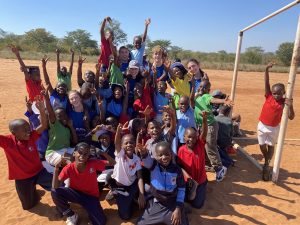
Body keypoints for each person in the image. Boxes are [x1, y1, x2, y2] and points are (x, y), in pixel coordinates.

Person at [0, 96, 52, 210]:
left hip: (39, 172)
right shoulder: (7, 141)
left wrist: (42, 111)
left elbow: (43, 126)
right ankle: (33, 192)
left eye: (28, 128)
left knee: (57, 185)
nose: (29, 131)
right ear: (14, 133)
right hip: (22, 178)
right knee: (28, 206)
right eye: (24, 130)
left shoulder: (31, 136)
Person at [51, 142, 114, 225]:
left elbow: (113, 162)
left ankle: (91, 213)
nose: (82, 156)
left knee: (100, 222)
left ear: (88, 155)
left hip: (91, 197)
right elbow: (55, 187)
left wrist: (102, 152)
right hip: (75, 194)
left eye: (85, 154)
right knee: (55, 192)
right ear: (74, 153)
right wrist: (56, 169)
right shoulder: (69, 168)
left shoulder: (93, 163)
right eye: (80, 152)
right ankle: (71, 215)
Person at [190, 80, 233, 182]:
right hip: (202, 126)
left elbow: (213, 100)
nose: (201, 89)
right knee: (203, 145)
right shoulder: (197, 97)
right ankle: (209, 164)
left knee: (210, 146)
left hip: (210, 126)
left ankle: (219, 168)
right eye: (200, 86)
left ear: (207, 90)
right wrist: (192, 87)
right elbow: (191, 101)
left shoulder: (206, 97)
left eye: (204, 88)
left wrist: (223, 101)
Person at [258, 62, 295, 181]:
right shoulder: (268, 96)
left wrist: (291, 106)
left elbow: (291, 117)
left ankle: (266, 165)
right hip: (262, 126)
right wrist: (266, 69)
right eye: (274, 93)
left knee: (271, 146)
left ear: (283, 93)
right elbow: (266, 83)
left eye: (279, 93)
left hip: (274, 128)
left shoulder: (284, 102)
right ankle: (267, 159)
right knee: (262, 145)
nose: (276, 95)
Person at [137, 141, 189, 225]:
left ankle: (182, 208)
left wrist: (178, 207)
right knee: (141, 223)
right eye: (160, 155)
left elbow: (181, 189)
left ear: (171, 153)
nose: (164, 157)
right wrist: (144, 154)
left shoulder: (177, 170)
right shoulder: (153, 165)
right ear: (155, 156)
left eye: (166, 154)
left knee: (180, 221)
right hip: (157, 202)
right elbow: (147, 161)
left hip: (172, 202)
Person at [108, 124, 145, 220]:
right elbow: (116, 143)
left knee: (138, 196)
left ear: (135, 145)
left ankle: (131, 198)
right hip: (120, 186)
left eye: (131, 143)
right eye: (126, 143)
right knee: (125, 216)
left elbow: (140, 177)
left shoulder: (136, 159)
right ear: (122, 145)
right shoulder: (120, 154)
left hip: (131, 186)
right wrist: (118, 132)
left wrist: (141, 194)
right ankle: (115, 192)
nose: (129, 145)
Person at [177, 111, 208, 209]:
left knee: (197, 205)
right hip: (189, 182)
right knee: (186, 199)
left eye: (194, 138)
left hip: (200, 180)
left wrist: (204, 120)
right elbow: (180, 167)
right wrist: (189, 178)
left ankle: (203, 186)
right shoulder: (181, 150)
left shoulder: (199, 145)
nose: (191, 140)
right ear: (184, 137)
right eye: (189, 137)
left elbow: (204, 133)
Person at [44, 88, 78, 166]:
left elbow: (75, 142)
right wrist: (46, 98)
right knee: (69, 159)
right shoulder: (55, 124)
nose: (63, 117)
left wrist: (71, 127)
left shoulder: (67, 128)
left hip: (66, 151)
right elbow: (50, 113)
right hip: (53, 153)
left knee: (83, 150)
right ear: (55, 118)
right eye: (59, 116)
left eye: (64, 115)